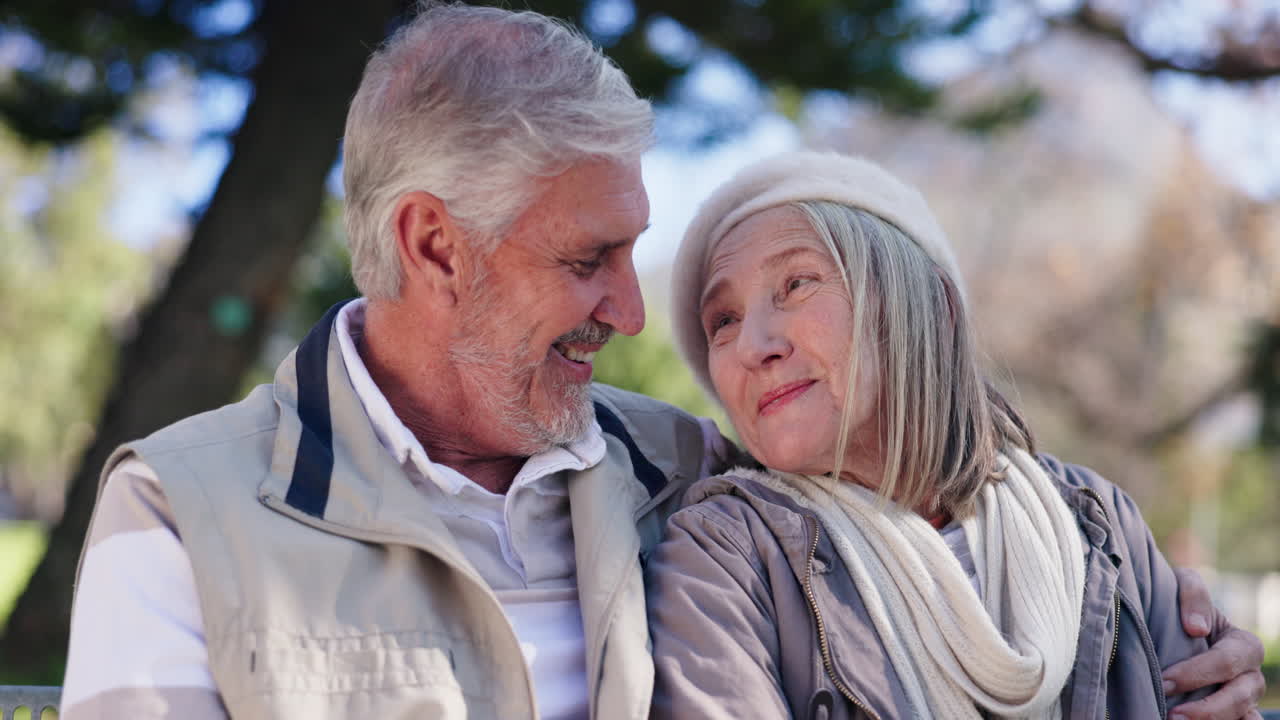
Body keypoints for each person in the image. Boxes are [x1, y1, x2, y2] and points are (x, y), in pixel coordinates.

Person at [58, 3, 1262, 719]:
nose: (635, 314)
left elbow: (901, 509)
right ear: (434, 244)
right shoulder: (182, 513)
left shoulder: (680, 468)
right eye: (589, 259)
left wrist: (1202, 647)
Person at [648, 150, 1269, 720]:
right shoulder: (726, 561)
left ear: (930, 305)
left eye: (796, 284)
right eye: (722, 320)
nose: (754, 346)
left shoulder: (1098, 524)